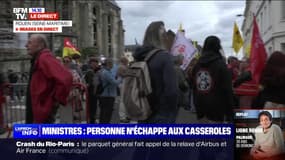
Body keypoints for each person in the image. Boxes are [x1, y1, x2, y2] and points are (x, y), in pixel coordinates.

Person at [132, 21, 178, 123]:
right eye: (164, 33)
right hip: (160, 113)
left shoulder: (139, 57)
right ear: (159, 37)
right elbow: (172, 91)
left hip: (142, 109)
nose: (166, 37)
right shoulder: (164, 57)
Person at [25, 34, 73, 123]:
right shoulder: (38, 58)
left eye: (30, 43)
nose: (26, 45)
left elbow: (66, 77)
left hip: (42, 110)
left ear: (40, 45)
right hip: (38, 108)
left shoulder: (44, 57)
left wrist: (55, 100)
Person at [192, 35, 234, 123]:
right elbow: (227, 89)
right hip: (217, 109)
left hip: (201, 107)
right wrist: (230, 113)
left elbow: (194, 87)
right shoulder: (221, 65)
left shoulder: (197, 65)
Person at [98, 58, 120, 123]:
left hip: (105, 95)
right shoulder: (106, 72)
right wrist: (121, 77)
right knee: (107, 113)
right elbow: (114, 82)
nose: (112, 65)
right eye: (111, 64)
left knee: (104, 113)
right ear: (108, 64)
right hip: (108, 96)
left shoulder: (105, 71)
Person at [85, 57, 101, 123]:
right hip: (91, 91)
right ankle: (92, 120)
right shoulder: (89, 71)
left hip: (97, 91)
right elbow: (88, 82)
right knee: (92, 106)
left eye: (95, 63)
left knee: (94, 106)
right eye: (93, 63)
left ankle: (93, 119)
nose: (94, 65)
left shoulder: (98, 70)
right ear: (90, 64)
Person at [116, 56, 130, 123]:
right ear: (124, 61)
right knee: (123, 101)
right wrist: (130, 74)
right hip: (122, 84)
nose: (127, 62)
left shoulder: (123, 66)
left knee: (125, 100)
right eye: (127, 61)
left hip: (124, 84)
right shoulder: (121, 67)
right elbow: (122, 75)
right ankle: (122, 116)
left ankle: (125, 115)